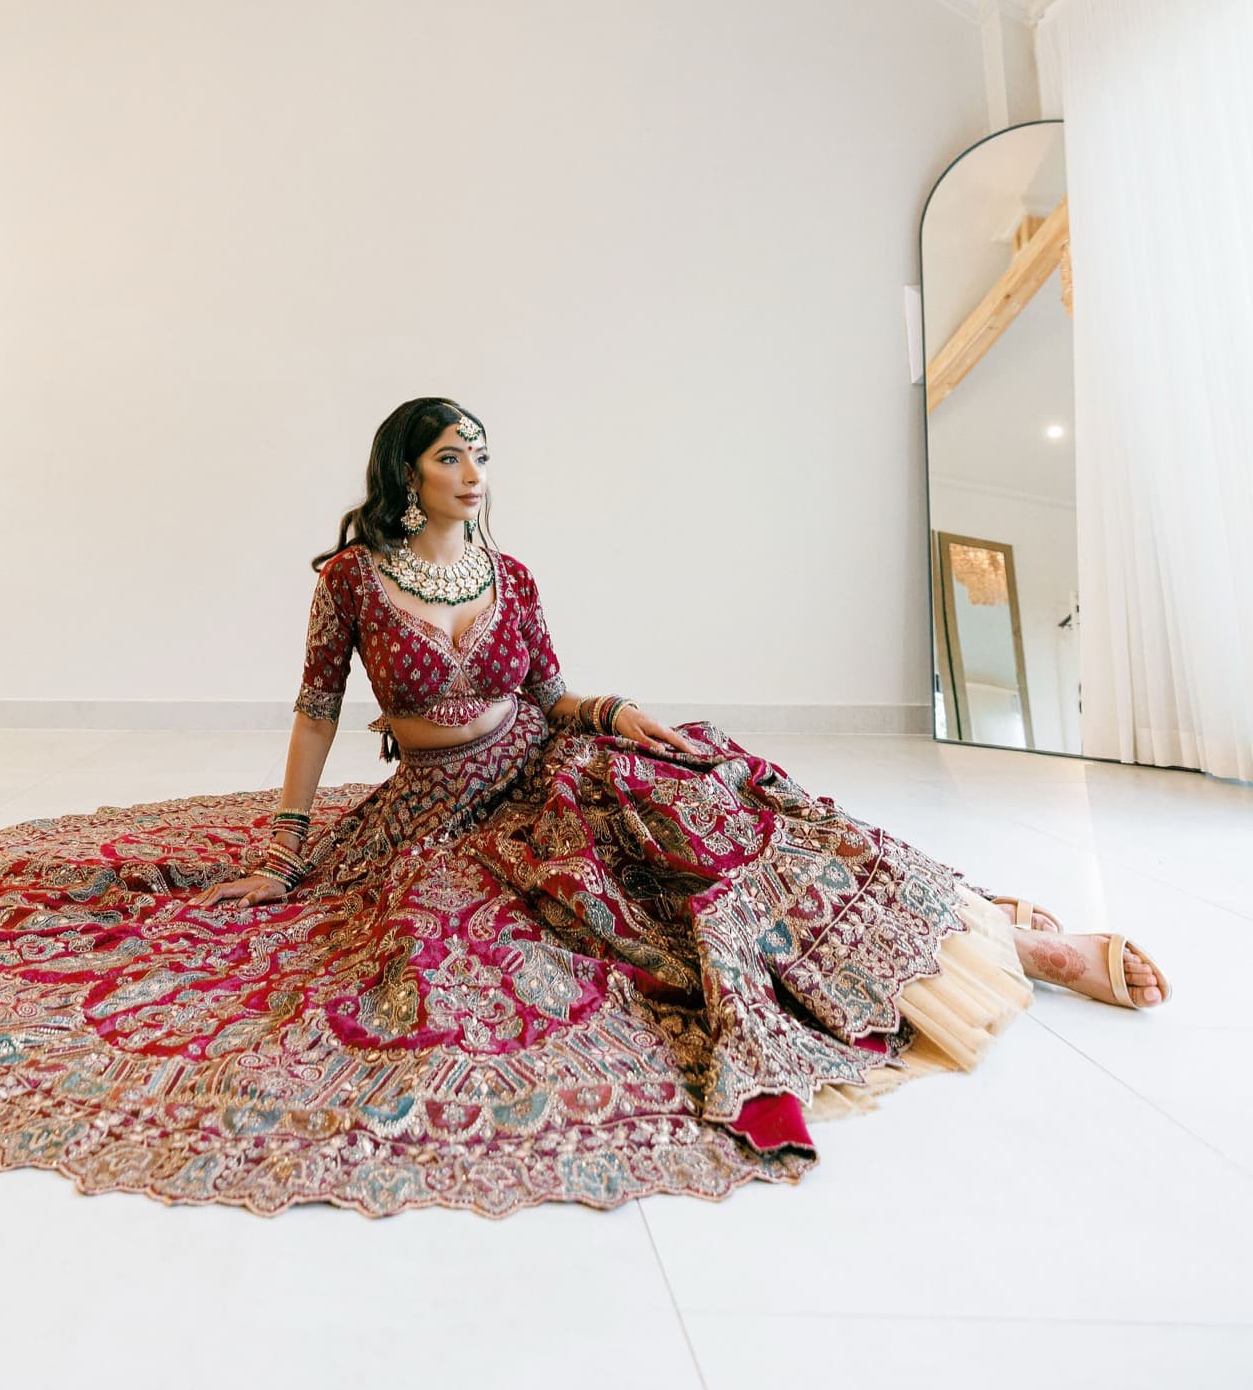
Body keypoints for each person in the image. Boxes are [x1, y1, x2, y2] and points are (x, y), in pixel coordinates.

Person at [171, 396, 1169, 1212]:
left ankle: (1004, 936)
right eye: (449, 455)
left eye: (480, 454)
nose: (473, 472)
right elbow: (315, 712)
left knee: (720, 804)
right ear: (405, 470)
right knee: (594, 920)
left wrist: (615, 713)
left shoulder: (512, 575)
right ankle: (999, 936)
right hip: (435, 811)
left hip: (540, 762)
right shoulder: (351, 578)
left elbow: (549, 693)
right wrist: (286, 848)